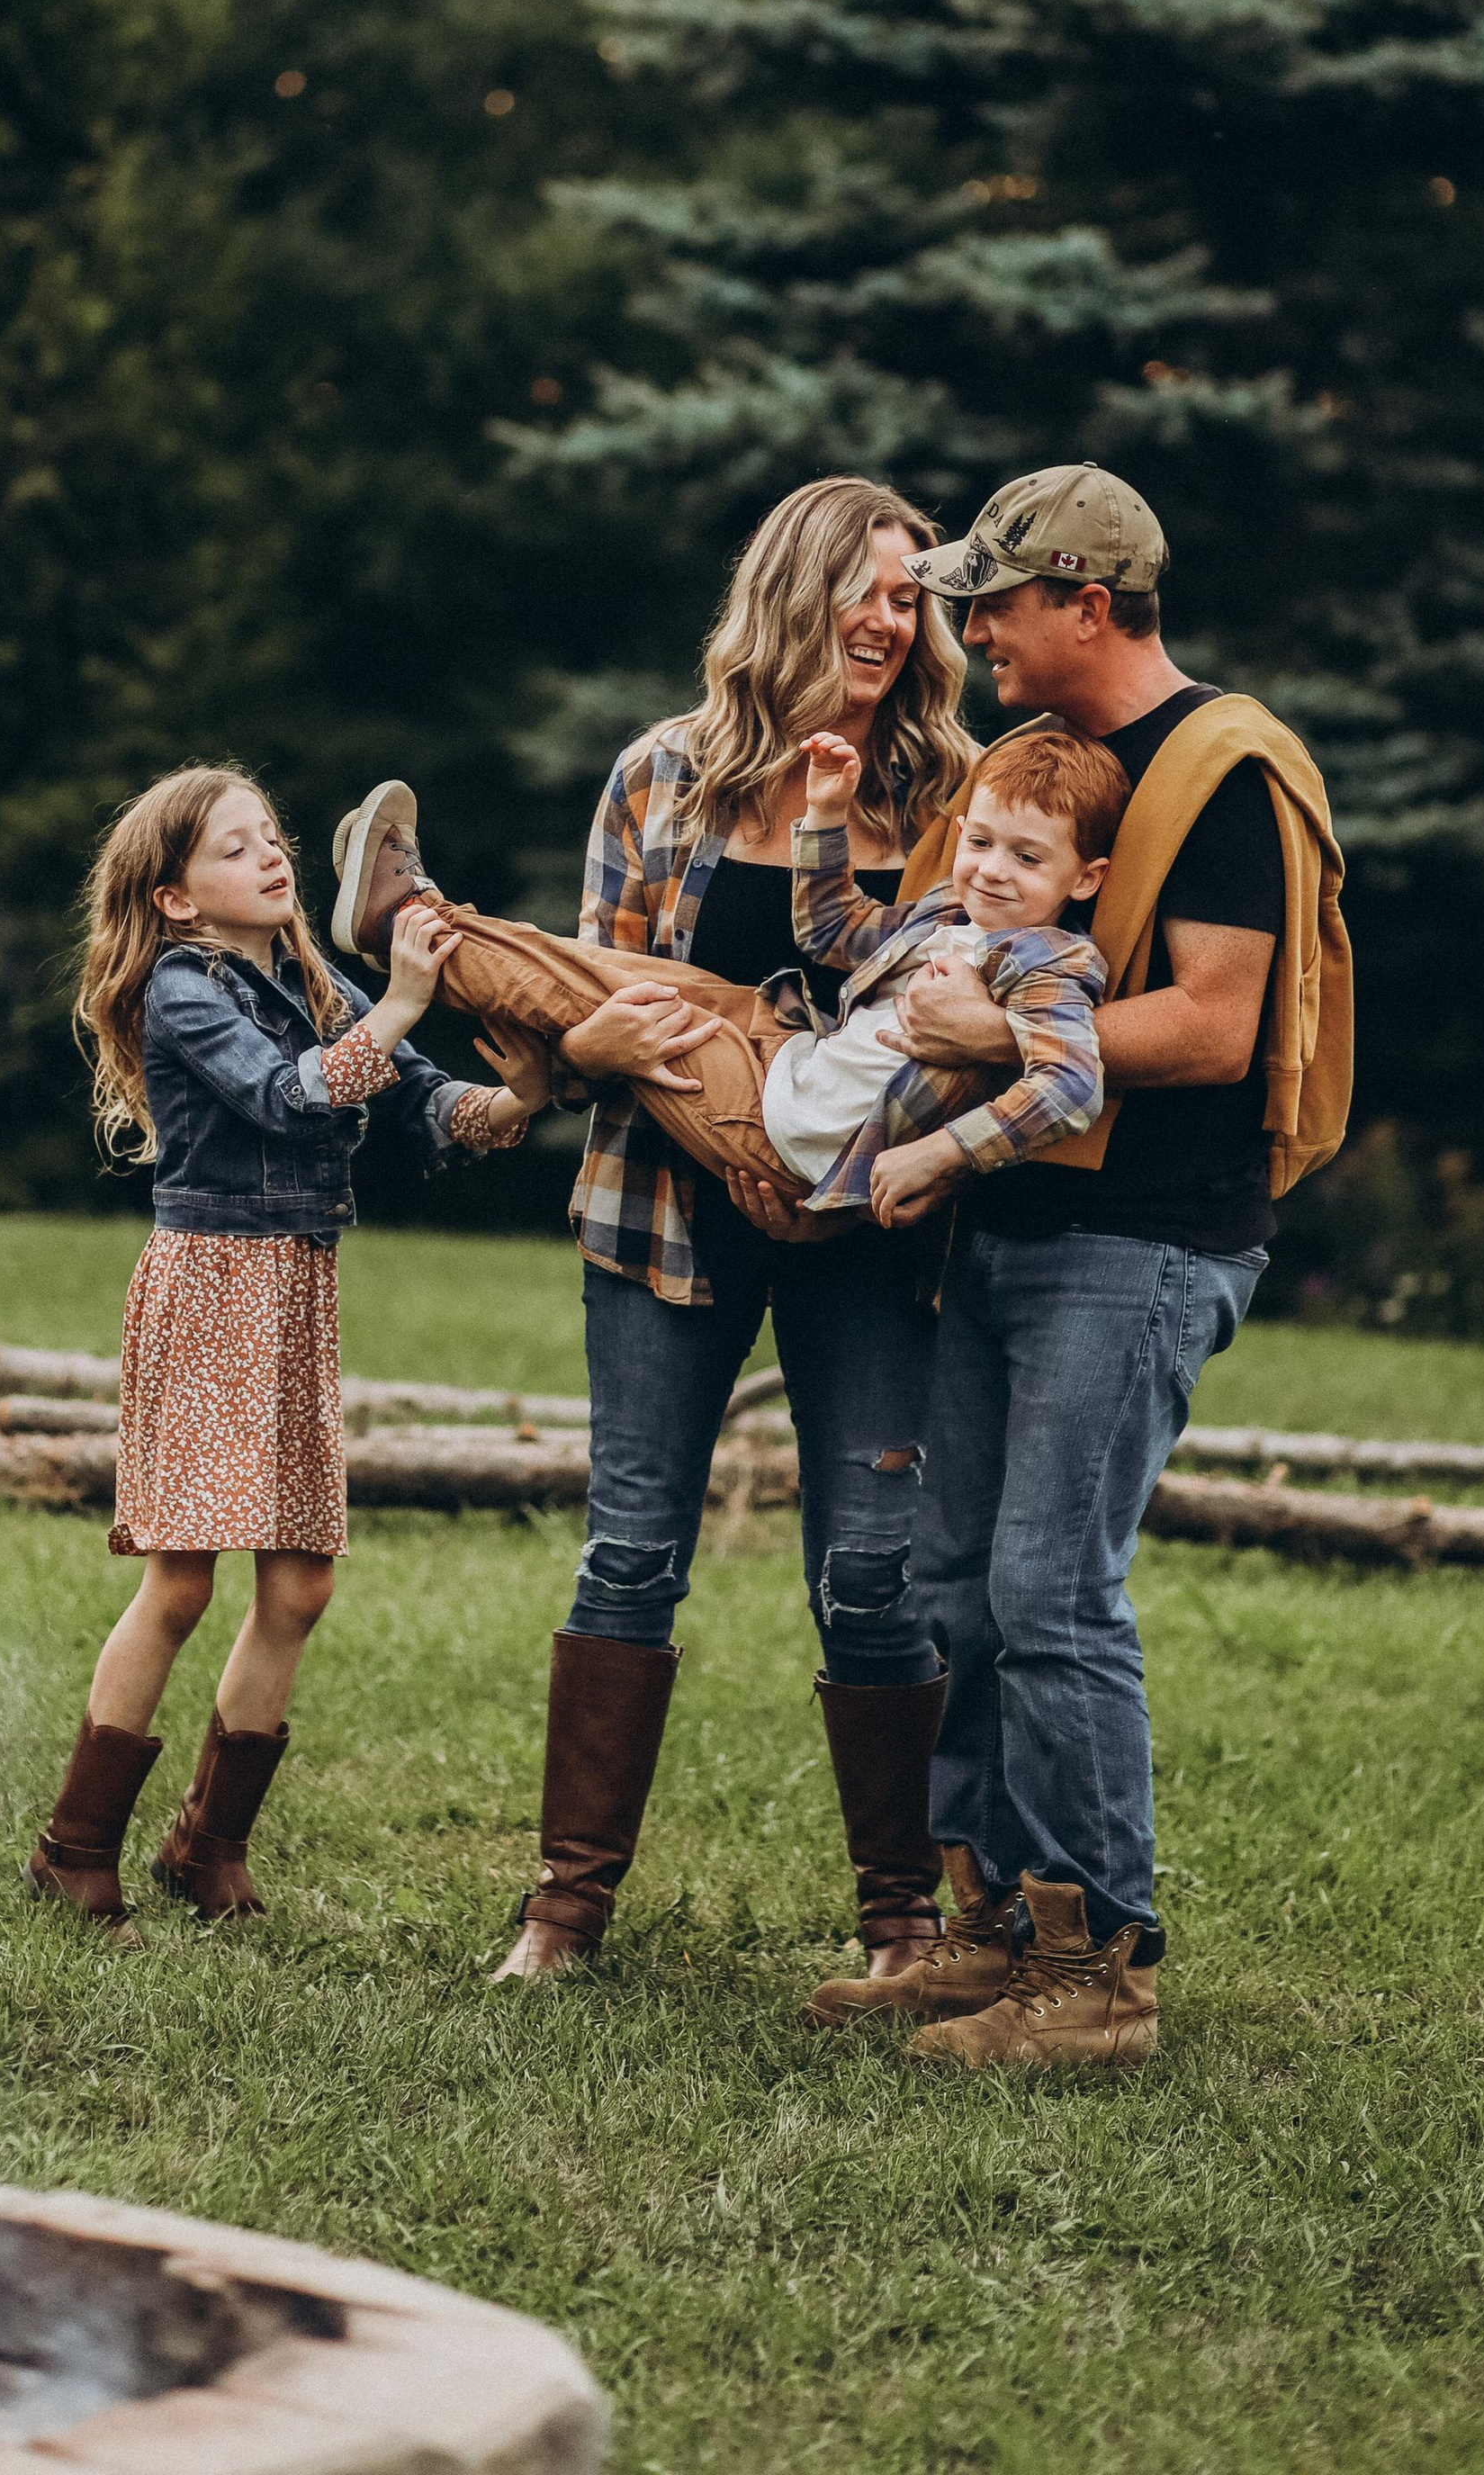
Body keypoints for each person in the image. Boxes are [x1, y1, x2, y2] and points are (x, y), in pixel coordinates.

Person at [454, 478, 983, 1994]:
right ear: (797, 589)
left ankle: (902, 1921)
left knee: (872, 1572)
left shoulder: (944, 791)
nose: (893, 620)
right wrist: (702, 1102)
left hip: (872, 1228)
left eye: (910, 598)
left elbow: (951, 1023)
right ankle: (564, 1913)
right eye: (869, 589)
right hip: (662, 1210)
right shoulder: (659, 778)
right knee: (631, 1548)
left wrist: (820, 1145)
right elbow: (592, 1022)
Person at [854, 464, 1351, 2068]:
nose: (972, 626)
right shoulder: (1035, 764)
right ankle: (996, 1929)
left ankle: (1102, 1968)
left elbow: (1215, 1023)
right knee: (960, 1596)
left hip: (1139, 1244)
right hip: (1004, 1225)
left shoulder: (1228, 769)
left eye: (995, 601)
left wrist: (995, 1031)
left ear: (1088, 602)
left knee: (1053, 1594)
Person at [24, 762, 552, 1943]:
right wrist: (406, 1004)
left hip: (294, 1292)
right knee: (181, 1581)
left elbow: (419, 1098)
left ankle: (205, 1843)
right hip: (211, 1288)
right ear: (174, 898)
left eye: (275, 839)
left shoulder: (312, 978)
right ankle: (73, 1848)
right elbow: (287, 1098)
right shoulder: (183, 990)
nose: (273, 858)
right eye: (235, 847)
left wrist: (517, 1097)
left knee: (301, 1585)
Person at [328, 722, 1127, 1231]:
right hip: (784, 1052)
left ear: (1085, 878)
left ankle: (404, 923)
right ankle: (431, 917)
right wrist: (822, 818)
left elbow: (1071, 1087)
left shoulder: (1050, 962)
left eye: (1028, 858)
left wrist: (940, 1155)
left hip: (782, 1127)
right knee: (614, 969)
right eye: (980, 842)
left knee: (605, 994)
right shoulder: (945, 913)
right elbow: (832, 929)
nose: (991, 872)